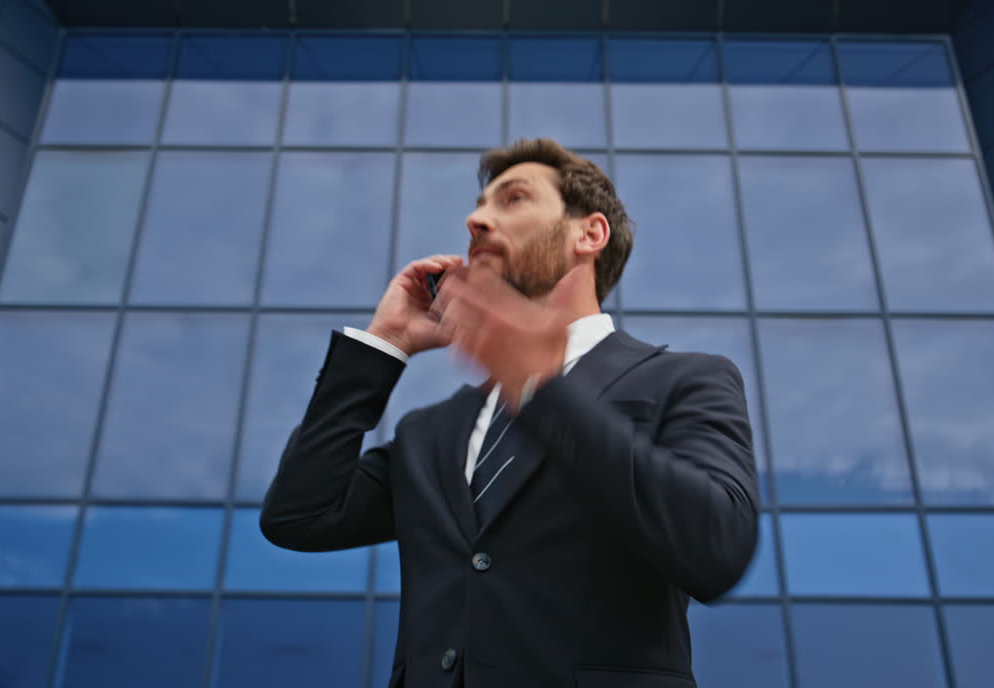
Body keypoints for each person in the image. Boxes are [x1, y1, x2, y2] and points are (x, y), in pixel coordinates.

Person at [261, 138, 759, 688]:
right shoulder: (430, 430)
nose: (476, 220)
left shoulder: (686, 380)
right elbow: (299, 517)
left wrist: (542, 392)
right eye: (478, 206)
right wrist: (384, 345)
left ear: (589, 234)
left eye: (512, 199)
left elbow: (717, 547)